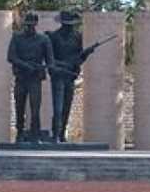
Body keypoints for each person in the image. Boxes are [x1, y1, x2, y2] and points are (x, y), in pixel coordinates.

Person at [46, 10, 94, 142]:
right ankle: (55, 134)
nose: (70, 26)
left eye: (72, 24)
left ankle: (61, 134)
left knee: (67, 107)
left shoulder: (77, 37)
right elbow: (49, 59)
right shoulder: (53, 37)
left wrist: (86, 53)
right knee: (58, 107)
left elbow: (78, 58)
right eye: (68, 24)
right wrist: (63, 65)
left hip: (70, 76)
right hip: (58, 76)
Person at [7, 12, 55, 141]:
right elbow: (11, 57)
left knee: (35, 108)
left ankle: (35, 132)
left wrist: (50, 67)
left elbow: (50, 59)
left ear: (36, 24)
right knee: (19, 107)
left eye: (31, 25)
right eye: (27, 25)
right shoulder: (17, 38)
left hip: (35, 78)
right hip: (21, 77)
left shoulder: (44, 39)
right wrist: (25, 65)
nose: (29, 27)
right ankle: (20, 132)